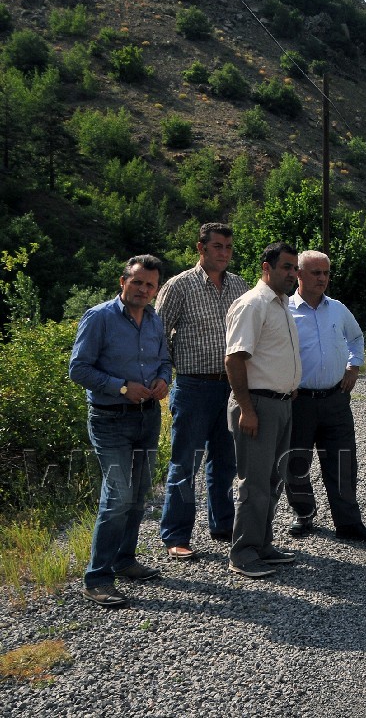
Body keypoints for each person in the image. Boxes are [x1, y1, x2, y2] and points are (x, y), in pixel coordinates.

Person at [70, 255, 172, 607]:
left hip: (147, 417)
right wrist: (122, 387)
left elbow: (164, 360)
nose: (144, 290)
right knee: (117, 496)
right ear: (123, 281)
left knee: (140, 490)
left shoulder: (155, 320)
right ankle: (97, 579)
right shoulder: (100, 318)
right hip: (110, 417)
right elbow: (78, 369)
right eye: (138, 282)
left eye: (150, 285)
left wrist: (163, 380)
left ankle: (124, 560)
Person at [156, 222, 249, 560]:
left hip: (231, 386)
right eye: (217, 246)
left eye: (228, 247)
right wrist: (164, 378)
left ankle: (223, 525)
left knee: (226, 463)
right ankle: (176, 536)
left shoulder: (240, 285)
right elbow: (158, 335)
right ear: (201, 248)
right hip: (193, 387)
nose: (224, 253)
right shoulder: (178, 286)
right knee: (185, 464)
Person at [285, 250, 366, 542]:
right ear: (298, 275)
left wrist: (354, 366)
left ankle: (349, 524)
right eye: (316, 273)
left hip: (335, 399)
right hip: (297, 401)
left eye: (326, 273)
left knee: (343, 462)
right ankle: (303, 514)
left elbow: (355, 337)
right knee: (295, 462)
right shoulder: (284, 309)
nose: (322, 278)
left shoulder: (338, 309)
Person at [224, 243, 302, 578]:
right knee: (253, 483)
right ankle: (242, 553)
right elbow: (234, 358)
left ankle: (262, 544)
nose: (292, 274)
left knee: (272, 480)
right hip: (257, 405)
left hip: (280, 405)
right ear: (266, 268)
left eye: (294, 268)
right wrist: (246, 408)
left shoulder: (281, 304)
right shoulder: (253, 304)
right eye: (286, 267)